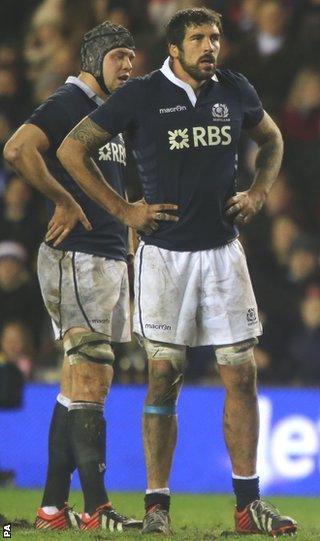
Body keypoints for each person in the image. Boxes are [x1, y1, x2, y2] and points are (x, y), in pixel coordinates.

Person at [56, 8, 297, 537]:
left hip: (224, 253)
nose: (210, 46)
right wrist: (124, 211)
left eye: (215, 37)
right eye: (198, 39)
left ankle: (248, 505)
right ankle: (158, 505)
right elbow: (73, 148)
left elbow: (274, 140)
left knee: (242, 372)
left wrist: (258, 192)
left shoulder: (234, 88)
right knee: (164, 377)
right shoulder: (141, 94)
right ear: (174, 48)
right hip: (164, 259)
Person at [4, 20, 177, 532]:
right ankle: (98, 508)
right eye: (120, 56)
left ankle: (53, 509)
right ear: (95, 58)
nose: (129, 65)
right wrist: (61, 198)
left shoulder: (109, 116)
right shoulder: (69, 102)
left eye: (132, 57)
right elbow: (17, 149)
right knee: (93, 374)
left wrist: (126, 248)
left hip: (103, 258)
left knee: (76, 384)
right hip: (74, 255)